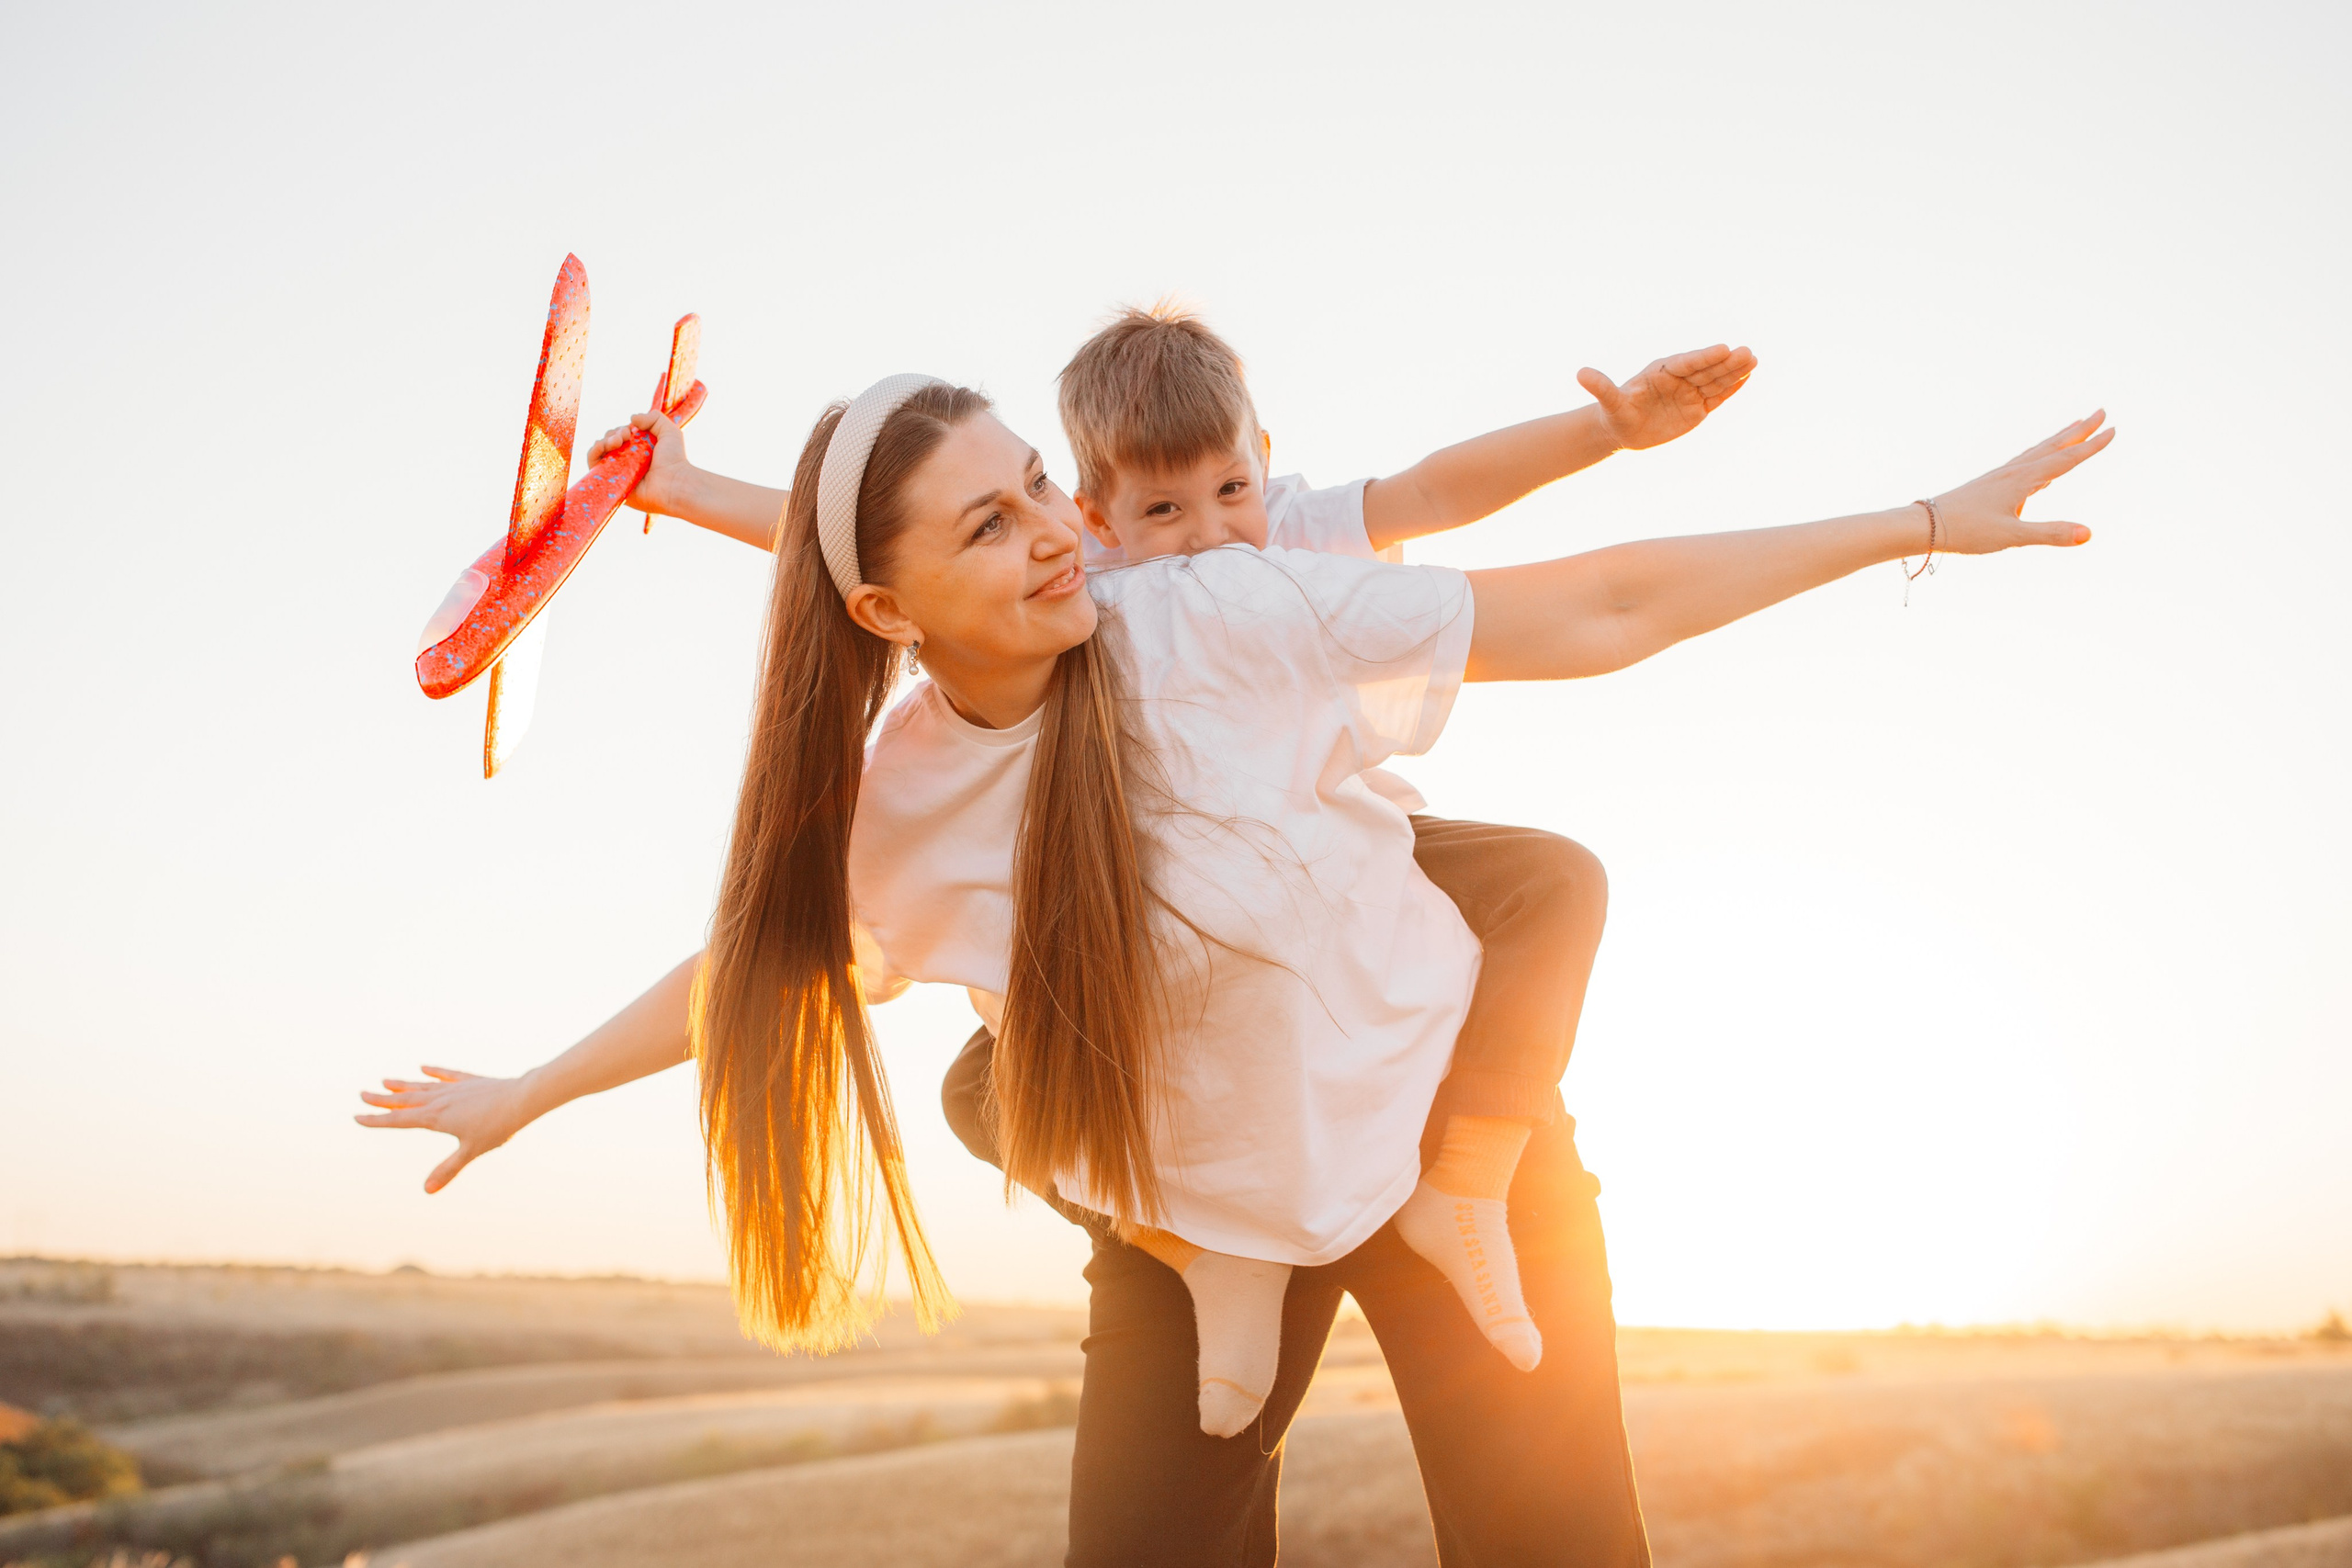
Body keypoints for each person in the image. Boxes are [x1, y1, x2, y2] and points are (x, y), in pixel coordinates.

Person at [358, 367, 2109, 1565]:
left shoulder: (1219, 609)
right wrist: (532, 1087)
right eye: (989, 528)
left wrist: (1919, 521)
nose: (1056, 531)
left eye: (1036, 486)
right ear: (890, 615)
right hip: (1192, 1213)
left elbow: (1603, 606)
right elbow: (754, 972)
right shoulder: (904, 804)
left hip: (1443, 1141)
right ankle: (1217, 1257)